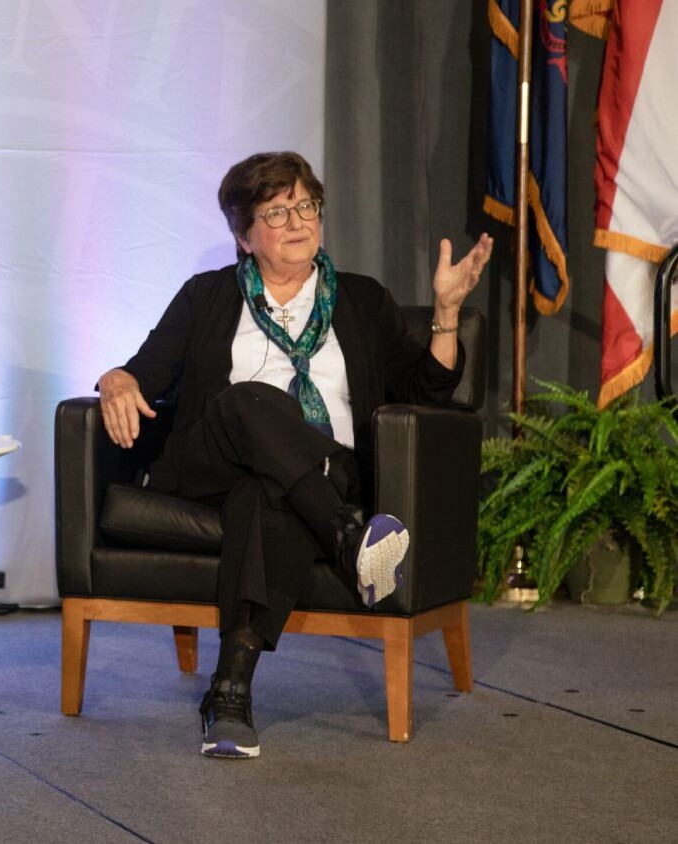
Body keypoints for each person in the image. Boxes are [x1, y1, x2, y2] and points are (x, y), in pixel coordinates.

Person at [95, 151, 492, 759]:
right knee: (250, 400)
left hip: (311, 473)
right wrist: (115, 380)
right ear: (243, 235)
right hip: (207, 465)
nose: (299, 221)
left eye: (306, 205)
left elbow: (425, 391)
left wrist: (444, 315)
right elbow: (143, 373)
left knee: (268, 495)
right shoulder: (206, 297)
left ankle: (229, 694)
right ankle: (344, 533)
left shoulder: (360, 300)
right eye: (277, 213)